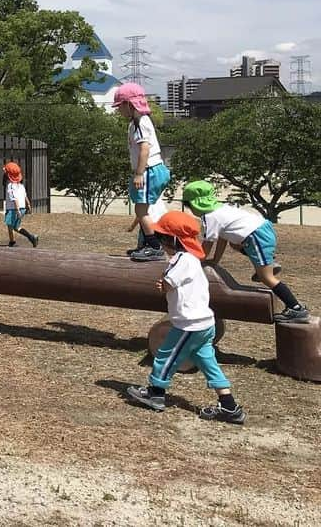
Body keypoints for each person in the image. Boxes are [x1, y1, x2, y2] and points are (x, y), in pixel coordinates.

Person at [125, 211, 246, 424]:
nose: (160, 242)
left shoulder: (183, 260)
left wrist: (163, 285)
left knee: (166, 355)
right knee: (206, 361)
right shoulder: (191, 260)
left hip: (189, 325)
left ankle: (156, 392)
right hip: (204, 324)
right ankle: (229, 405)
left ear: (173, 240)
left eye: (162, 238)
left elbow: (169, 283)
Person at [182, 180, 309, 323]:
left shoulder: (209, 217)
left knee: (266, 278)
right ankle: (268, 263)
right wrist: (215, 260)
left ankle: (296, 308)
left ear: (195, 204)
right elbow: (222, 238)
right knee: (234, 244)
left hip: (256, 237)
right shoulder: (221, 209)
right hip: (260, 231)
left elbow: (207, 245)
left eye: (189, 206)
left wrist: (195, 260)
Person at [113, 83, 171, 262]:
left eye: (120, 106)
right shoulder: (138, 121)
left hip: (149, 170)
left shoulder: (140, 122)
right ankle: (146, 243)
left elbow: (144, 149)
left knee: (141, 209)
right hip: (152, 169)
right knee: (143, 209)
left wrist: (139, 173)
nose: (119, 110)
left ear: (129, 104)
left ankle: (154, 247)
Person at [4, 161, 38, 247]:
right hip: (22, 208)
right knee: (16, 227)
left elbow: (14, 198)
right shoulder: (21, 185)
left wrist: (17, 209)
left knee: (10, 225)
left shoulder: (10, 186)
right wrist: (29, 205)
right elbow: (25, 196)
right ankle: (31, 237)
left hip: (13, 209)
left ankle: (12, 242)